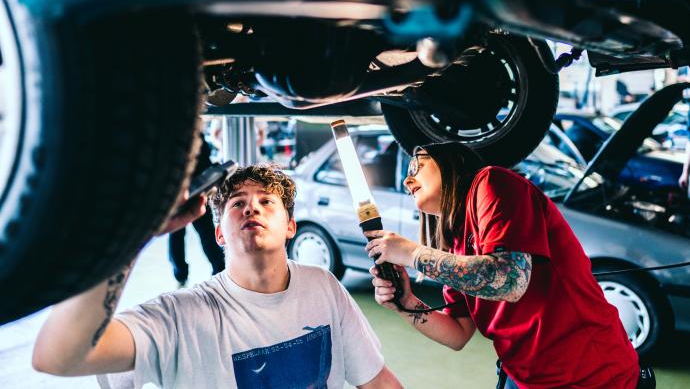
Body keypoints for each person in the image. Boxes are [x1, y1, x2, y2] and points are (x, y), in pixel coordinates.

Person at [33, 165, 401, 389]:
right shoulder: (180, 317)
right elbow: (59, 356)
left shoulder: (323, 286)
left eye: (266, 201)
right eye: (237, 203)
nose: (251, 206)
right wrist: (134, 234)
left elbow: (376, 379)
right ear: (219, 234)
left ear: (291, 227)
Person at [365, 142, 640, 388]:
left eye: (418, 166)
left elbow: (509, 280)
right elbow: (457, 332)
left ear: (453, 161)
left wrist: (413, 254)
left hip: (590, 375)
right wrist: (404, 301)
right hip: (524, 377)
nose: (407, 180)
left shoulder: (492, 183)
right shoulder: (456, 242)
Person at [168, 135, 224, 287]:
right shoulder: (196, 138)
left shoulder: (170, 140)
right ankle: (219, 270)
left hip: (176, 193)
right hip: (196, 192)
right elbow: (204, 163)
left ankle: (181, 276)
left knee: (177, 235)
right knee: (206, 235)